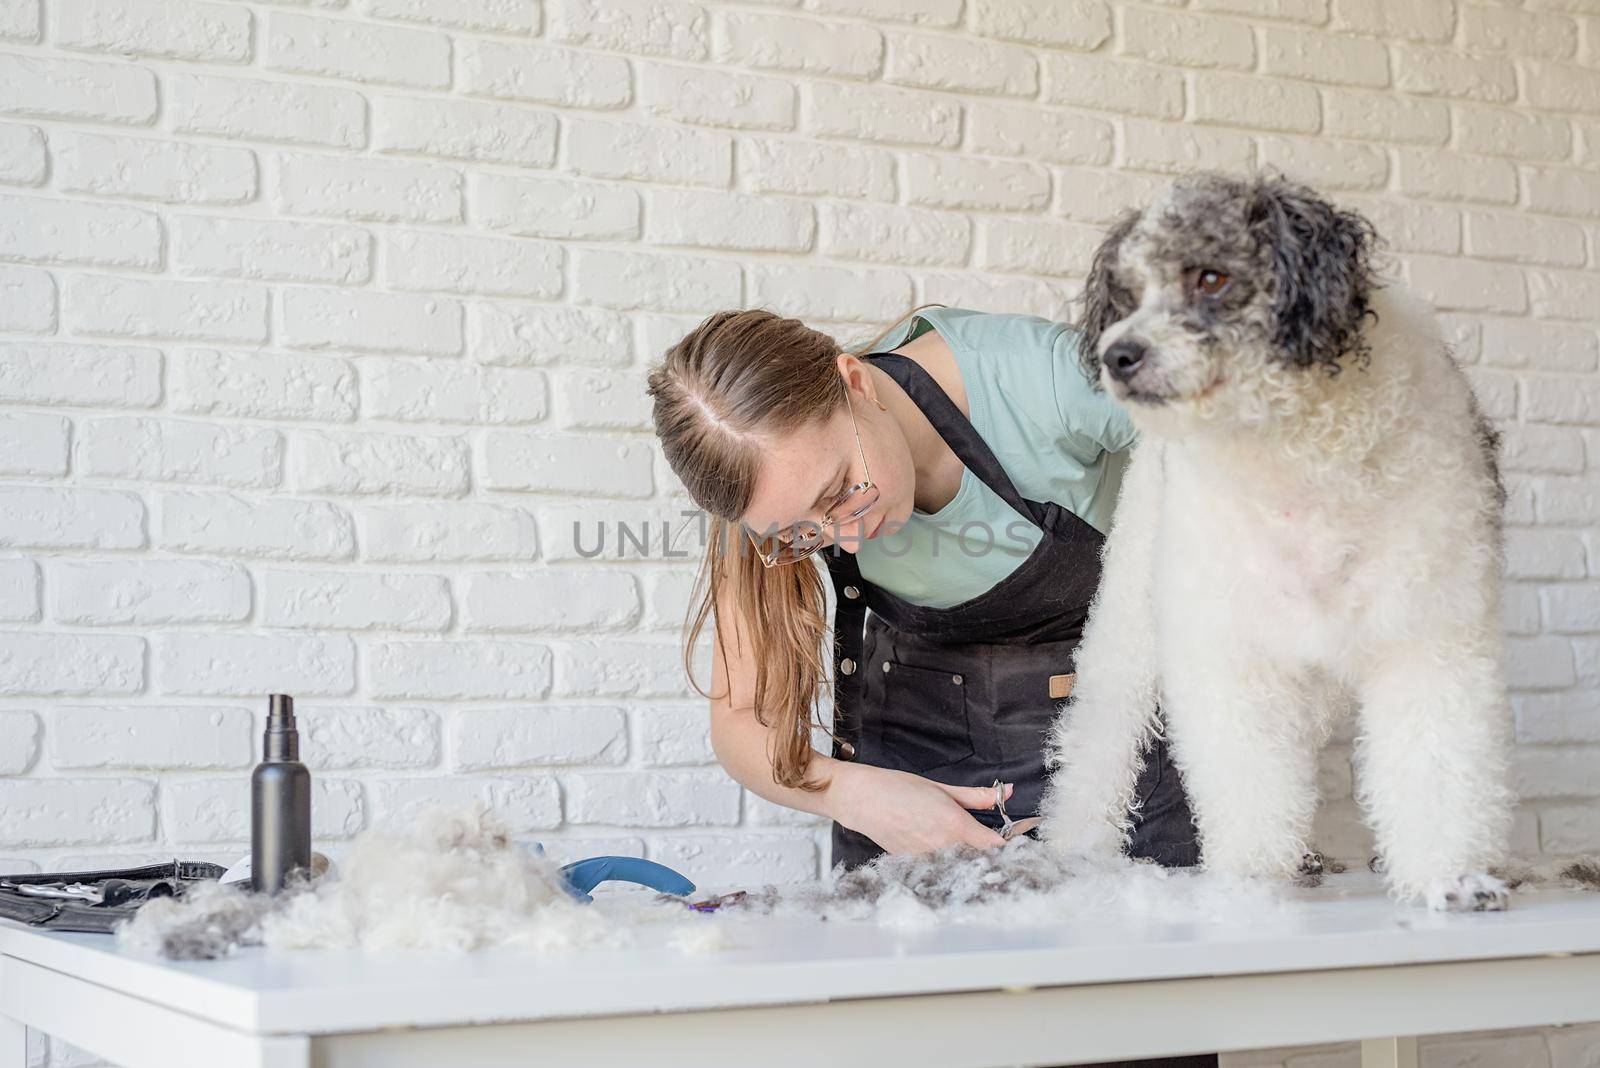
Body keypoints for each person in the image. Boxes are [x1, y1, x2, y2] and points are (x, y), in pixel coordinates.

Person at [645, 303, 1202, 874]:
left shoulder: (1044, 379)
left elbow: (1249, 452)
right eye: (802, 533)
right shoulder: (761, 493)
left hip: (1118, 756)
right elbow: (743, 723)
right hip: (907, 771)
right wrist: (851, 794)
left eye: (840, 490)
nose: (848, 538)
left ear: (856, 384)